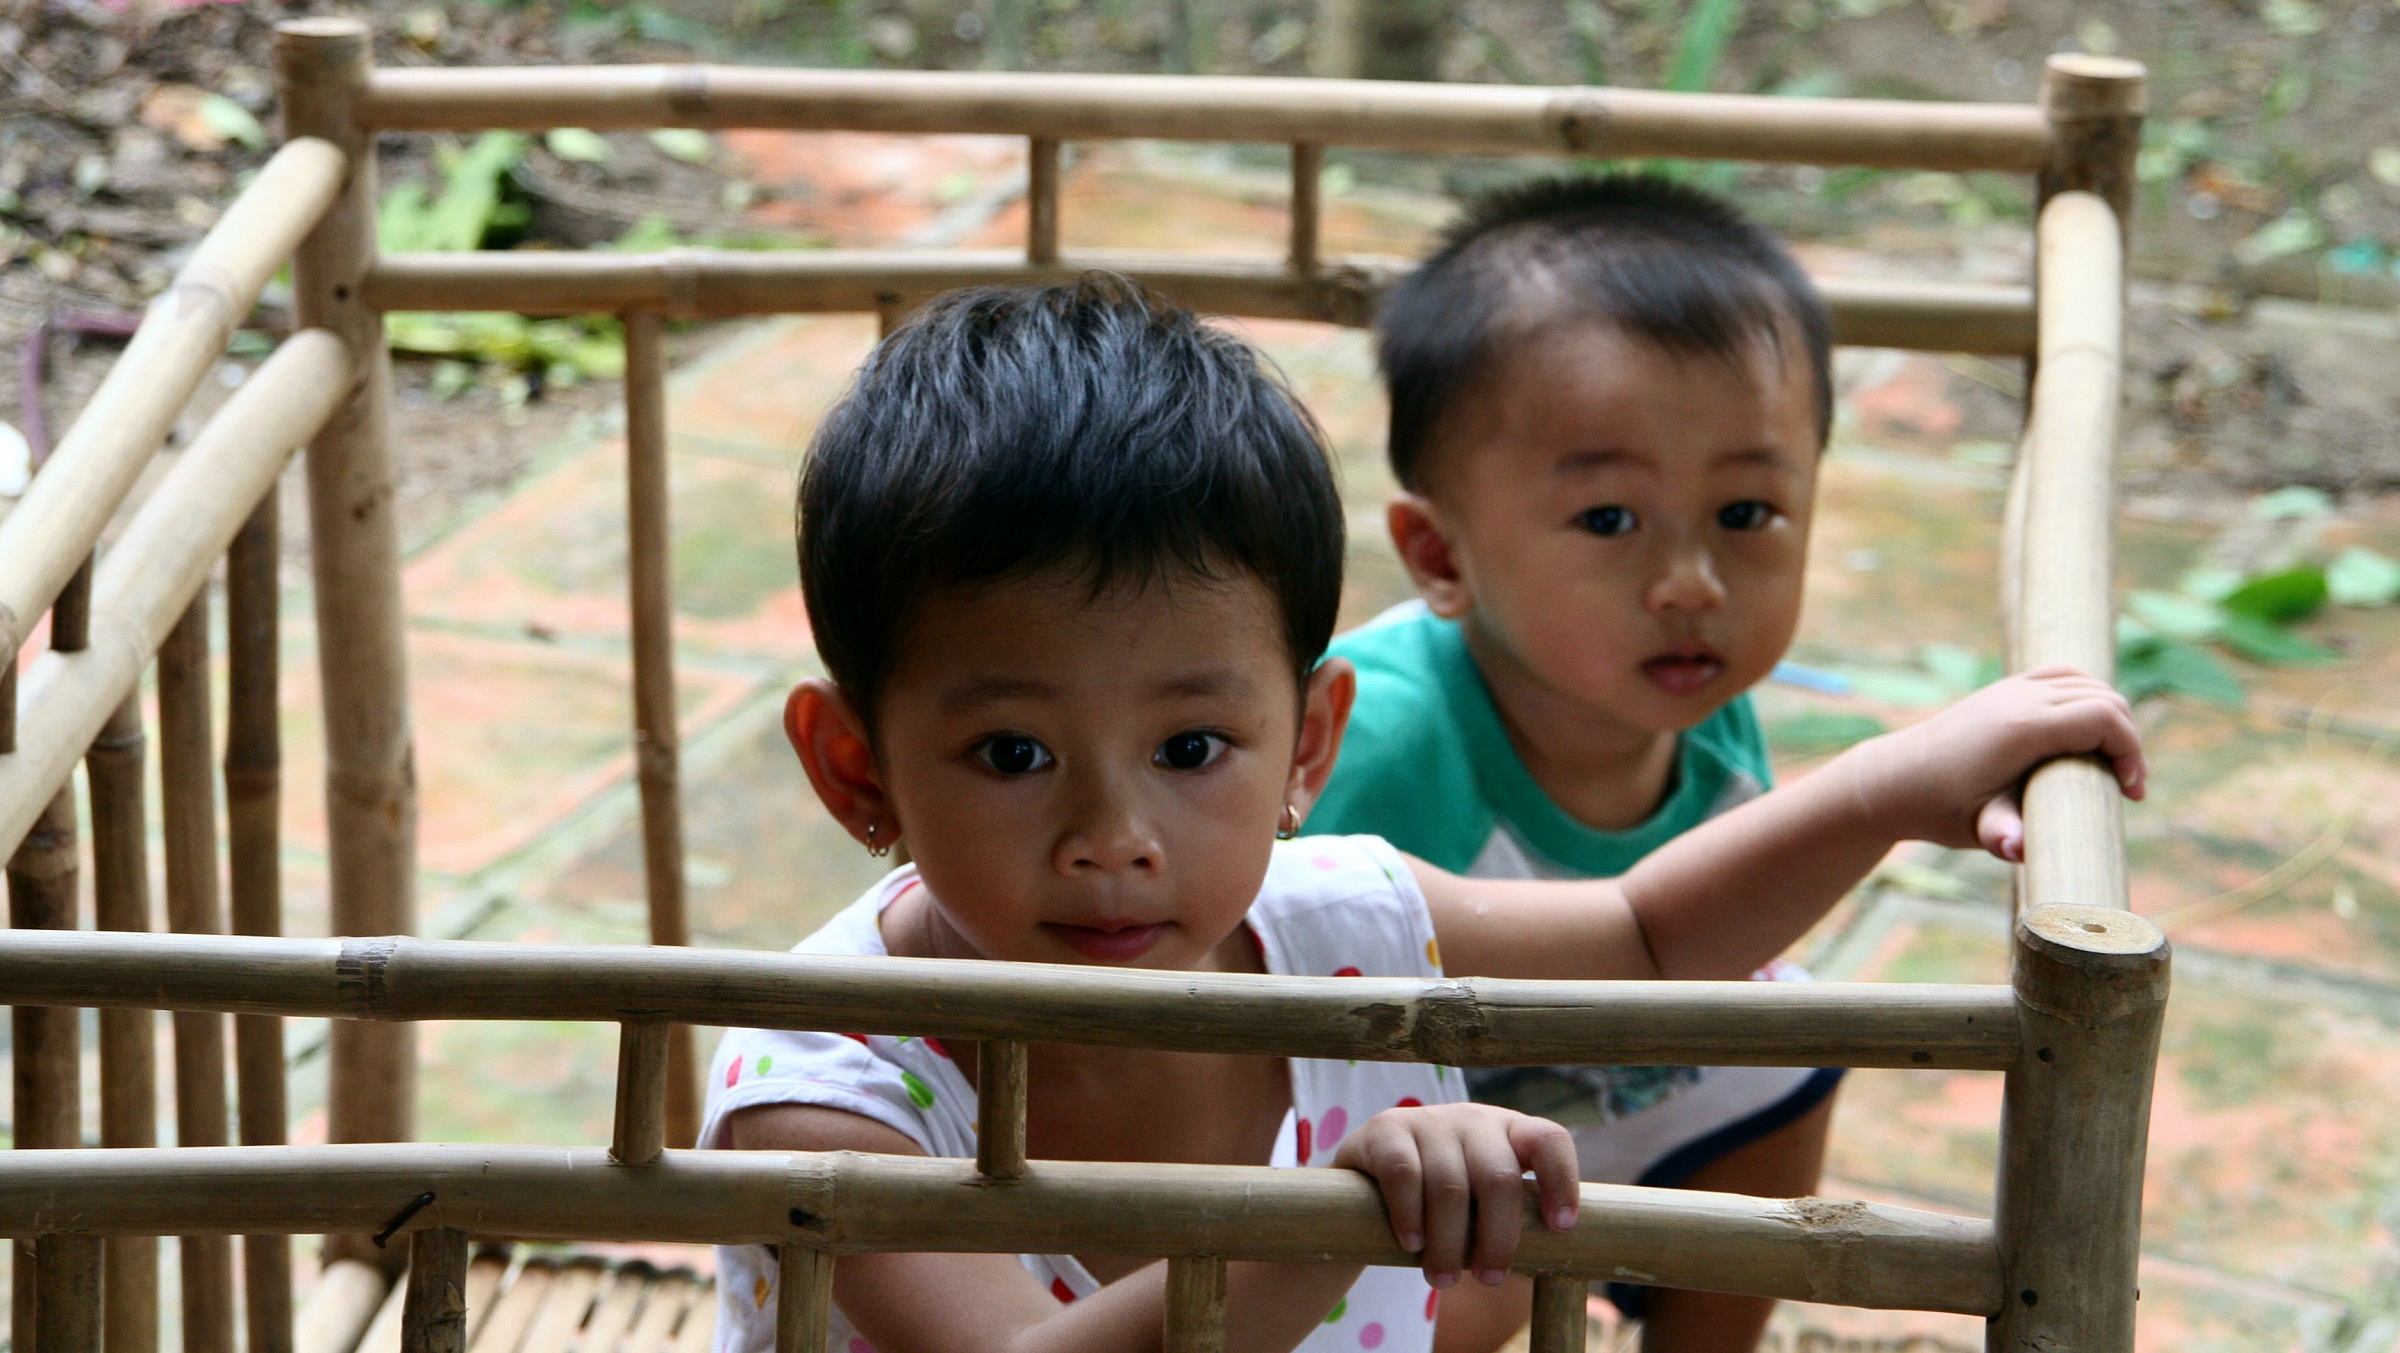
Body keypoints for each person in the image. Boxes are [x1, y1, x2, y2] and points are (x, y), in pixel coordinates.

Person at [703, 275, 2143, 1353]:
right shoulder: (828, 1094)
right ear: (857, 769)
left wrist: (1886, 786)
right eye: (1014, 753)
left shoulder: (1344, 924)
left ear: (1309, 743)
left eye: (1193, 746)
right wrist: (1325, 1225)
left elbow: (1649, 939)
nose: (1113, 835)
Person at [1300, 173, 1905, 1352]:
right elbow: (1251, 1016)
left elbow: (1710, 950)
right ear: (1440, 554)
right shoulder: (1378, 739)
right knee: (1473, 1263)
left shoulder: (1706, 704)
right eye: (1610, 520)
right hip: (1379, 1131)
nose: (1691, 583)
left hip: (1571, 1075)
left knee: (1786, 1054)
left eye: (1746, 513)